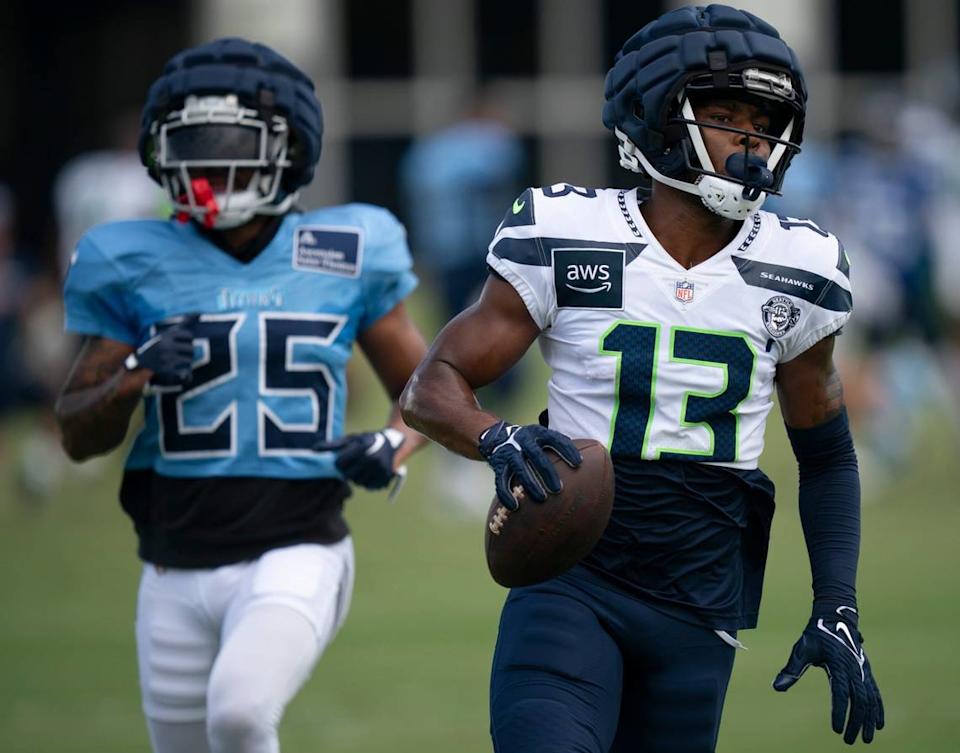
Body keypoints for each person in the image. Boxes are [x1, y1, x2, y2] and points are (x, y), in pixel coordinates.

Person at [401, 5, 883, 752]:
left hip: (701, 600)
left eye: (765, 121)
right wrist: (496, 439)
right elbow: (432, 385)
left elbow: (826, 456)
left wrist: (837, 606)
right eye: (725, 116)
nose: (752, 140)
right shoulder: (567, 234)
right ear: (656, 119)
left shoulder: (801, 266)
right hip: (571, 578)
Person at [55, 38, 427, 753]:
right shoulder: (129, 257)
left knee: (238, 712)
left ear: (286, 151)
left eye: (228, 147)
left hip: (298, 544)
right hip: (169, 562)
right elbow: (76, 433)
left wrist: (394, 443)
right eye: (189, 147)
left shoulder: (348, 245)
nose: (204, 169)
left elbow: (427, 386)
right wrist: (134, 371)